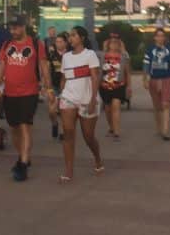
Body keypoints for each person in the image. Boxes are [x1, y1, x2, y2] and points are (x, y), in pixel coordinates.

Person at [0, 17, 49, 181]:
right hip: (10, 93)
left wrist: (48, 87)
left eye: (16, 28)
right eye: (11, 28)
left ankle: (23, 164)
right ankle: (23, 155)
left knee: (25, 126)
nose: (13, 32)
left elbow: (43, 66)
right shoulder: (6, 45)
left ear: (24, 27)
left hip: (29, 92)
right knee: (14, 128)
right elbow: (2, 66)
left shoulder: (36, 44)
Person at [54, 25, 104, 182]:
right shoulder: (66, 57)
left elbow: (95, 77)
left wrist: (93, 99)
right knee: (68, 133)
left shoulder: (90, 55)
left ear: (82, 38)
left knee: (88, 136)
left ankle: (97, 158)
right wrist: (60, 96)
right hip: (68, 98)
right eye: (70, 36)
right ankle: (69, 171)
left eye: (74, 35)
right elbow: (63, 79)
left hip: (87, 98)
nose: (70, 38)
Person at [143, 28, 170, 141]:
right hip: (153, 80)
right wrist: (145, 78)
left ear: (165, 37)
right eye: (158, 35)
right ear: (155, 37)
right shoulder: (150, 50)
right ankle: (159, 128)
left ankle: (165, 131)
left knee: (166, 105)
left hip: (166, 79)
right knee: (157, 106)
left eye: (162, 35)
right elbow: (146, 65)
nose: (160, 38)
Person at [99, 34, 131, 140]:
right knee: (108, 109)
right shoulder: (103, 55)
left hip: (118, 85)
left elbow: (127, 72)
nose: (114, 44)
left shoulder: (123, 56)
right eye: (111, 42)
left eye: (116, 42)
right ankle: (111, 127)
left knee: (116, 106)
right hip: (105, 85)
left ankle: (117, 131)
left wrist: (129, 86)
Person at [46, 33, 68, 141]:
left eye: (60, 42)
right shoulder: (51, 55)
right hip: (54, 85)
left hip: (67, 86)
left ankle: (64, 133)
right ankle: (54, 124)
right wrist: (47, 87)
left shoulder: (70, 55)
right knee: (52, 110)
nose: (58, 44)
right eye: (57, 42)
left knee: (64, 110)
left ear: (65, 43)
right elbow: (47, 72)